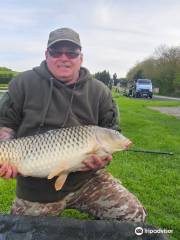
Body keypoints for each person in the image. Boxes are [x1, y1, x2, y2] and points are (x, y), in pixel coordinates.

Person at [0, 27, 147, 221]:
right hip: (37, 188)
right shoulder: (23, 83)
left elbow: (111, 130)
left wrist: (104, 158)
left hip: (88, 181)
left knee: (134, 217)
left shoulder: (100, 92)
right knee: (23, 233)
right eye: (56, 52)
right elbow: (5, 125)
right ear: (46, 54)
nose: (64, 57)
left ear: (81, 57)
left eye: (71, 52)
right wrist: (6, 158)